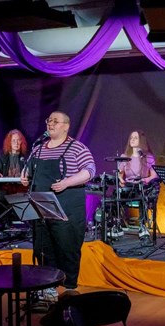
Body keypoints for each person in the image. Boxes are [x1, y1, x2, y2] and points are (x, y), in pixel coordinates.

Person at [20, 111, 96, 292]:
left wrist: (67, 182)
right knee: (44, 250)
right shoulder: (38, 148)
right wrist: (25, 177)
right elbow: (29, 170)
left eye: (56, 121)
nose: (50, 124)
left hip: (67, 206)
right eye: (49, 120)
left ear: (66, 126)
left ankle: (69, 290)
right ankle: (48, 289)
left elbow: (90, 170)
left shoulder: (77, 148)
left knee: (67, 249)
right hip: (42, 207)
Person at [115, 130, 159, 245]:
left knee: (143, 196)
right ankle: (117, 225)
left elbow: (154, 175)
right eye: (131, 138)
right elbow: (120, 174)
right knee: (114, 195)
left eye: (135, 138)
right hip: (129, 186)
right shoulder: (125, 157)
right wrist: (121, 180)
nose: (132, 140)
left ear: (141, 140)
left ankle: (143, 228)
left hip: (142, 186)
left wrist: (145, 180)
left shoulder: (148, 157)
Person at [0, 129, 28, 203]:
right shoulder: (1, 156)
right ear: (9, 142)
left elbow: (30, 173)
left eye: (18, 140)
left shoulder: (26, 156)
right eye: (13, 140)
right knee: (0, 196)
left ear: (21, 142)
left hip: (22, 188)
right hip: (5, 188)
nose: (16, 143)